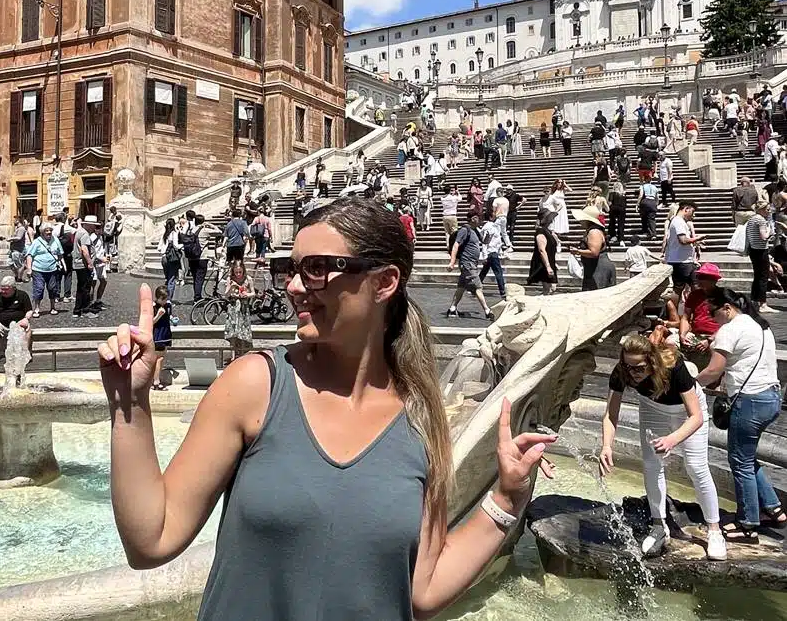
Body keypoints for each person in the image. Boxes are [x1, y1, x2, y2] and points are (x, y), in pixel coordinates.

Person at [99, 197, 556, 620]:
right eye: (292, 268)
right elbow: (151, 541)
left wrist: (507, 498)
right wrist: (130, 402)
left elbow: (424, 588)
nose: (294, 286)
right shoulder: (255, 384)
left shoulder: (421, 417)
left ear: (384, 282)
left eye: (317, 269)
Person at [601, 335, 726, 560]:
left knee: (696, 466)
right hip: (652, 409)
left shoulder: (672, 366)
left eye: (638, 367)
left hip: (687, 411)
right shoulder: (621, 372)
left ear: (652, 361)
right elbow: (611, 415)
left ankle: (715, 531)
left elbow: (696, 417)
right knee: (651, 465)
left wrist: (672, 440)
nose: (633, 373)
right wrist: (606, 446)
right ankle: (659, 526)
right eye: (628, 367)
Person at [697, 289, 784, 542]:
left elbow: (713, 370)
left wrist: (689, 383)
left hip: (750, 402)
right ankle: (773, 509)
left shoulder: (730, 329)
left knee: (740, 462)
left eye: (713, 314)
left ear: (726, 308)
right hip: (771, 397)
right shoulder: (761, 325)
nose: (713, 320)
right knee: (745, 457)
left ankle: (747, 524)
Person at [447, 211, 492, 320]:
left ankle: (453, 308)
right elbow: (456, 245)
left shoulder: (475, 231)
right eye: (478, 218)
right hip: (467, 263)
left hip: (472, 263)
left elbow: (484, 241)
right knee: (478, 286)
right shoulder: (465, 230)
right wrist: (452, 262)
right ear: (473, 218)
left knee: (461, 287)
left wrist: (489, 236)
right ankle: (487, 310)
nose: (481, 220)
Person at [0, 276, 33, 361]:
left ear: (13, 288)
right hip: (2, 325)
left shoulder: (22, 295)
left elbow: (29, 311)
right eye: (2, 289)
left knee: (27, 328)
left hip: (18, 325)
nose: (3, 291)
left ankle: (25, 353)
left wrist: (26, 318)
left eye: (6, 289)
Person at [664, 201, 705, 298]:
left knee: (696, 285)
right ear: (686, 209)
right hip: (680, 261)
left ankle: (697, 310)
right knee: (678, 288)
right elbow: (683, 240)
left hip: (686, 260)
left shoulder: (680, 222)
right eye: (692, 211)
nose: (693, 215)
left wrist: (696, 242)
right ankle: (672, 311)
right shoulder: (678, 221)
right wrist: (698, 238)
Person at [571, 207, 616, 291]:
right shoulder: (592, 231)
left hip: (599, 268)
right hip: (593, 267)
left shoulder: (594, 232)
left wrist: (578, 251)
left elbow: (594, 252)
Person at [25, 222, 63, 318]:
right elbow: (29, 255)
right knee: (39, 288)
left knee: (53, 288)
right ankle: (37, 308)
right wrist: (29, 269)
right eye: (46, 231)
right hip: (38, 269)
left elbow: (60, 253)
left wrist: (59, 262)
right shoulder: (37, 242)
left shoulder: (56, 240)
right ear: (42, 232)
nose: (49, 232)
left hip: (52, 269)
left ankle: (53, 307)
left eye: (50, 230)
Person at [745, 201, 774, 313]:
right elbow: (764, 236)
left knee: (757, 276)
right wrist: (770, 232)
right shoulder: (760, 220)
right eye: (767, 209)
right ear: (761, 209)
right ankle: (763, 304)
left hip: (753, 250)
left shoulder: (752, 219)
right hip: (761, 250)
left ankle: (754, 300)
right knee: (763, 277)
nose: (769, 211)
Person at [223, 258, 255, 356]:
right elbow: (226, 295)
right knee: (233, 332)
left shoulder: (248, 279)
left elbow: (253, 293)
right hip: (233, 307)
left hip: (243, 308)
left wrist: (247, 295)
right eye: (236, 272)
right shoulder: (230, 279)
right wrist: (231, 287)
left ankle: (242, 353)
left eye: (240, 272)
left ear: (243, 270)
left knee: (242, 331)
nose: (238, 274)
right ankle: (233, 355)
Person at [72, 217, 99, 319]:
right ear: (88, 225)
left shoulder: (79, 232)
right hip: (83, 264)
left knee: (81, 288)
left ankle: (77, 310)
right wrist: (90, 263)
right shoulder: (85, 234)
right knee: (85, 288)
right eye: (93, 225)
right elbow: (84, 249)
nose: (94, 228)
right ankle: (85, 310)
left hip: (79, 264)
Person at [527, 209, 559, 295]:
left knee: (552, 288)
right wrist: (548, 266)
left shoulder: (548, 231)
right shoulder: (540, 232)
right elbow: (542, 250)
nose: (552, 220)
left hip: (549, 261)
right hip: (544, 263)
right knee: (548, 289)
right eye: (550, 218)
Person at [477, 210, 506, 299]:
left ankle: (475, 286)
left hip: (492, 252)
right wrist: (484, 255)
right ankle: (502, 291)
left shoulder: (493, 226)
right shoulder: (488, 227)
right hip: (491, 252)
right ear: (490, 217)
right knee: (498, 272)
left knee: (484, 271)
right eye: (493, 214)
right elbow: (485, 242)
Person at [151, 285, 173, 391]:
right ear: (158, 297)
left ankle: (156, 379)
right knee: (158, 359)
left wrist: (173, 319)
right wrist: (158, 315)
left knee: (162, 358)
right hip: (158, 335)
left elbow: (169, 316)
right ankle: (156, 382)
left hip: (165, 334)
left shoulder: (168, 305)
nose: (165, 301)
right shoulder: (154, 307)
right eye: (163, 299)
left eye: (166, 298)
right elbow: (151, 322)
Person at [158, 218, 181, 303]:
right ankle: (168, 299)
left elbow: (159, 248)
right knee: (172, 279)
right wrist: (182, 246)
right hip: (171, 258)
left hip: (163, 258)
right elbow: (176, 245)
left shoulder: (164, 234)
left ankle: (164, 297)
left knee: (167, 279)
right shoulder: (174, 233)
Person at [637, 173, 661, 239]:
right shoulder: (655, 187)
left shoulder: (642, 186)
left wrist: (637, 204)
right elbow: (657, 198)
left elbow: (641, 195)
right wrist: (656, 204)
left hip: (645, 202)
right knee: (651, 219)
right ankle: (653, 234)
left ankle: (645, 231)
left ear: (644, 180)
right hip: (653, 202)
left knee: (643, 217)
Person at [441, 185, 461, 254]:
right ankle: (453, 246)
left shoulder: (442, 198)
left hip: (445, 215)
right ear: (450, 191)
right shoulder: (453, 198)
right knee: (454, 232)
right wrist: (457, 192)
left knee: (447, 233)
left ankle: (448, 246)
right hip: (452, 215)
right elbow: (460, 198)